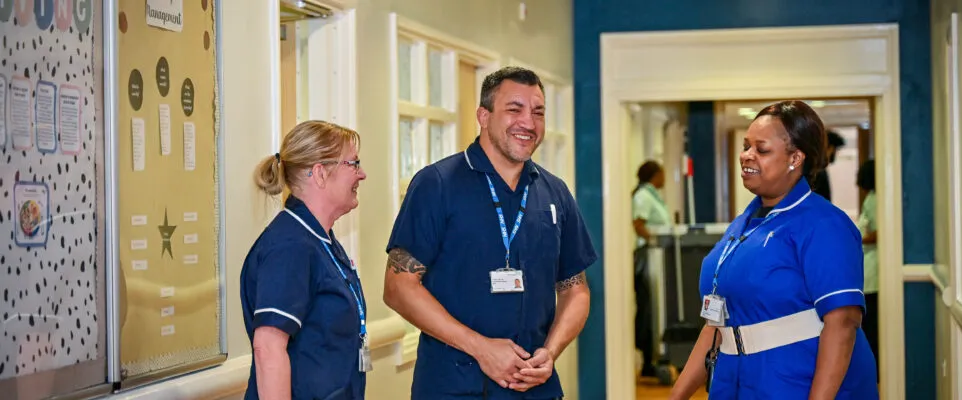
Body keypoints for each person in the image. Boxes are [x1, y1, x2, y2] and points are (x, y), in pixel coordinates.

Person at [383, 66, 598, 399]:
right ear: (483, 116)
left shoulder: (554, 193)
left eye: (538, 112)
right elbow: (399, 286)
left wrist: (551, 352)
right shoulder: (437, 184)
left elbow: (576, 289)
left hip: (534, 387)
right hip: (454, 387)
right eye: (514, 109)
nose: (528, 122)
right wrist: (481, 349)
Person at [668, 100, 877, 399]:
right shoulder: (742, 225)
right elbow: (715, 324)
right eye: (745, 146)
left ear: (795, 158)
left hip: (795, 382)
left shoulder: (824, 225)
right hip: (735, 381)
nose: (746, 156)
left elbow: (843, 322)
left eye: (761, 149)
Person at [240, 120, 368, 400]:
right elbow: (268, 348)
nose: (362, 175)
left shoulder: (320, 241)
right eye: (353, 164)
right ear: (321, 174)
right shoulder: (291, 246)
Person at [631, 160, 671, 377]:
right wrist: (654, 240)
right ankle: (647, 359)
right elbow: (638, 225)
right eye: (661, 173)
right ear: (653, 175)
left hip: (657, 256)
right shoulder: (643, 197)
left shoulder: (652, 195)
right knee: (648, 308)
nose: (664, 178)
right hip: (647, 257)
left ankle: (652, 356)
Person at [856, 159, 879, 378]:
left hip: (874, 272)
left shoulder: (875, 200)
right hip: (870, 271)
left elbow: (880, 231)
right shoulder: (872, 198)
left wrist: (858, 237)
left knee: (871, 328)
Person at [812, 130, 845, 201]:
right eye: (836, 150)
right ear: (830, 148)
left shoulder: (818, 170)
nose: (836, 153)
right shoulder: (817, 172)